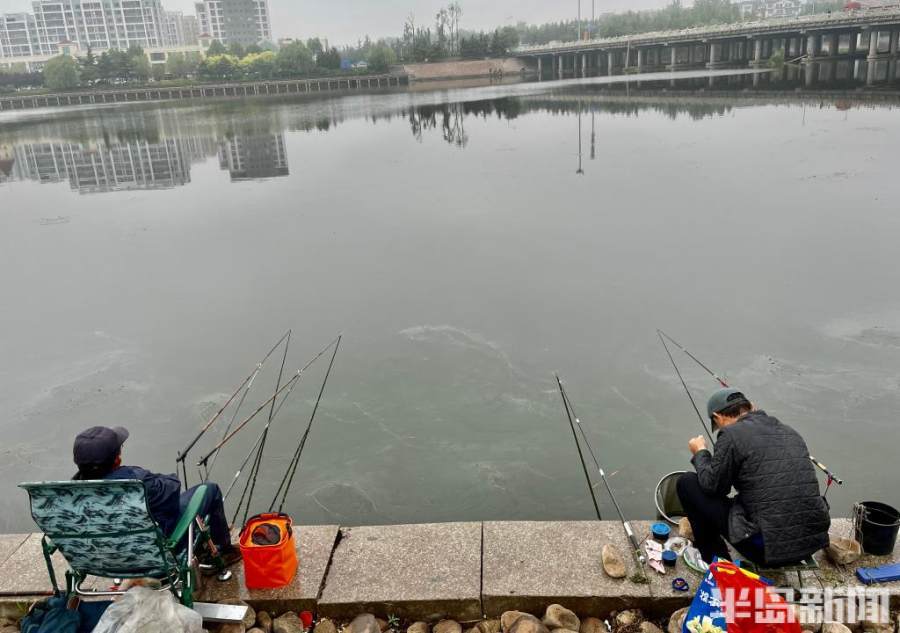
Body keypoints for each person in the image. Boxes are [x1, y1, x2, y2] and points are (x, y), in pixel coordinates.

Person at [677, 388, 830, 566]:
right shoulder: (791, 432)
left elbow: (713, 487)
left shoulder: (730, 435)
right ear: (752, 407)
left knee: (687, 483)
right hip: (811, 543)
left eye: (717, 424)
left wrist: (700, 452)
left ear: (718, 417)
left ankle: (717, 561)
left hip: (767, 551)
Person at [72, 426, 242, 568]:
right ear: (116, 459)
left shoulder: (69, 492)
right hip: (153, 551)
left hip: (103, 559)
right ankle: (220, 551)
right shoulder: (136, 482)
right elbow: (172, 493)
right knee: (209, 489)